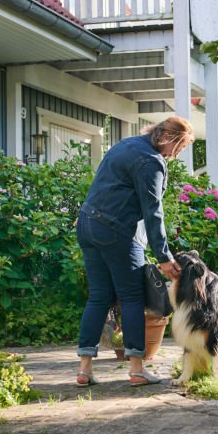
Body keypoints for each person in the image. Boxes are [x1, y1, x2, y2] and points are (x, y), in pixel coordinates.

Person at [75, 116, 193, 387]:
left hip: (86, 224)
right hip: (115, 230)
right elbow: (153, 213)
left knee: (98, 297)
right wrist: (164, 257)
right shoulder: (151, 161)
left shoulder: (125, 145)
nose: (177, 154)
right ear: (171, 140)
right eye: (180, 147)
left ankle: (85, 369)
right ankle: (137, 370)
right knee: (132, 297)